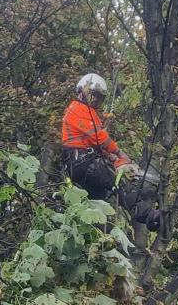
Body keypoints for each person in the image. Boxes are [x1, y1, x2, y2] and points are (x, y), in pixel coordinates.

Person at [62, 73, 161, 231]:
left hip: (83, 163)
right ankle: (147, 215)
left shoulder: (88, 112)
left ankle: (97, 236)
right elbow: (99, 138)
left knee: (97, 204)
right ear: (83, 92)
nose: (96, 100)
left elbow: (94, 144)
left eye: (99, 97)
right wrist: (119, 153)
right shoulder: (77, 110)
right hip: (82, 164)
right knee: (118, 182)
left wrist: (112, 157)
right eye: (94, 95)